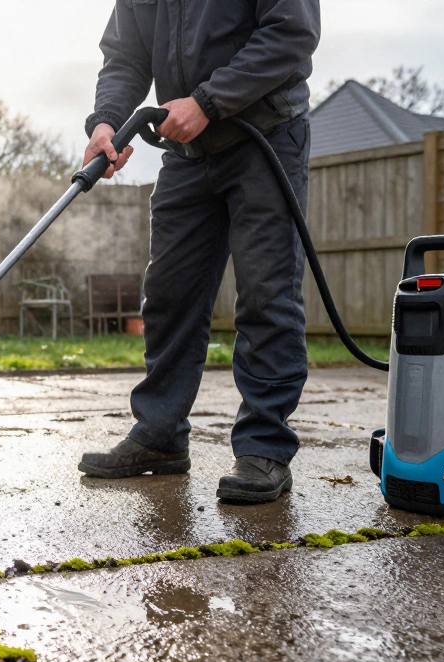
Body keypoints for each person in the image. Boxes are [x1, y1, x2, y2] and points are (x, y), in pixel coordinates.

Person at [76, 0, 321, 504]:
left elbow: (291, 31)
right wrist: (107, 122)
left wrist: (208, 101)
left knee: (265, 292)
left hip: (265, 136)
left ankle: (263, 448)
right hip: (188, 154)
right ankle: (159, 435)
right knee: (169, 293)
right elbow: (126, 53)